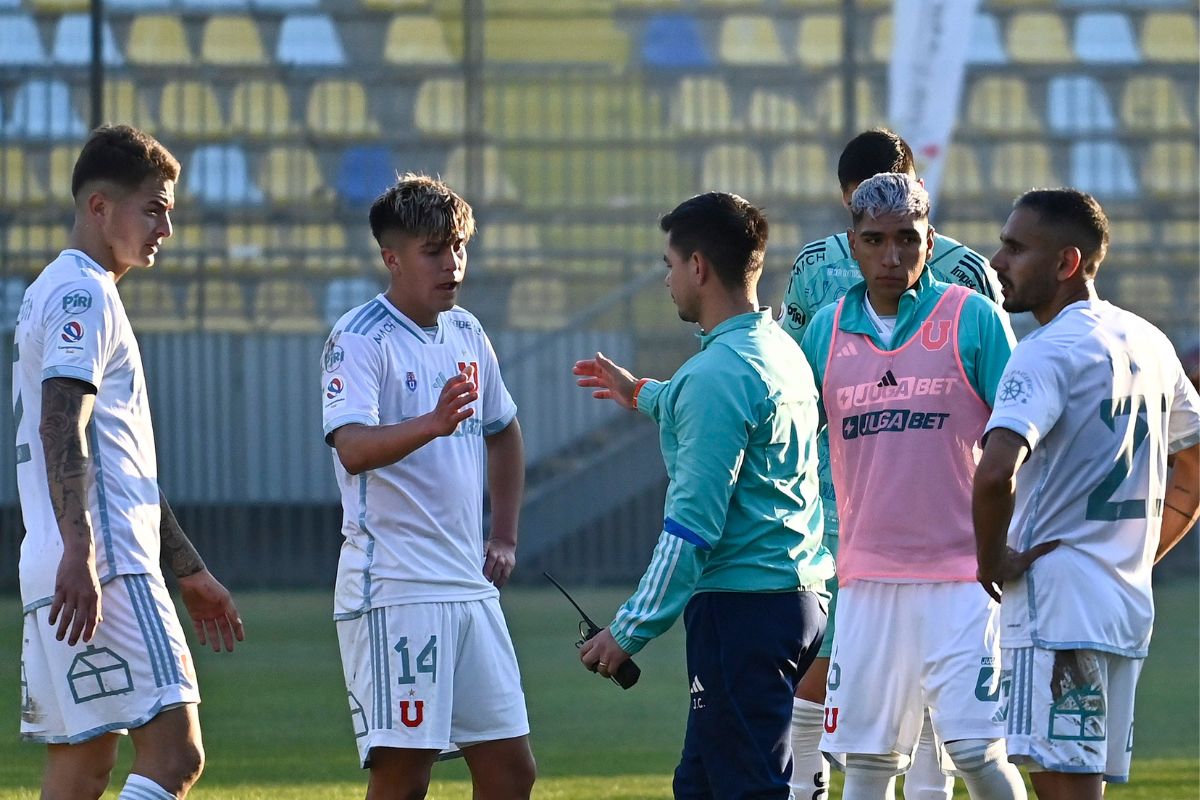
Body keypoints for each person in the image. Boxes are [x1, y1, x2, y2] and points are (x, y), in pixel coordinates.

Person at [573, 192, 831, 799]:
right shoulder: (779, 351)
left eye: (669, 263)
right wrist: (645, 394)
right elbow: (730, 413)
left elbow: (690, 527)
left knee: (744, 789)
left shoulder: (715, 376)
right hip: (795, 600)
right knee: (702, 785)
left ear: (698, 267)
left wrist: (628, 630)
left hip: (741, 611)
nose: (666, 280)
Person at [13, 124, 244, 800]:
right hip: (103, 564)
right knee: (175, 754)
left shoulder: (50, 291)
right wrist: (82, 548)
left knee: (80, 768)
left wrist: (189, 568)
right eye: (154, 207)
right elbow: (63, 419)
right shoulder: (85, 294)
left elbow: (119, 460)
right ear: (99, 208)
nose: (166, 226)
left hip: (54, 564)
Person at [780, 127, 1007, 800]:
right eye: (874, 238)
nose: (891, 253)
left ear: (927, 239)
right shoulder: (829, 323)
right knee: (872, 756)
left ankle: (804, 784)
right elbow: (792, 403)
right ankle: (806, 785)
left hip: (956, 559)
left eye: (906, 237)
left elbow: (1018, 425)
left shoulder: (967, 307)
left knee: (973, 748)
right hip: (862, 548)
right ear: (854, 241)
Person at [973, 189, 1200, 800]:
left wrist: (990, 558)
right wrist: (1144, 547)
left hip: (1058, 608)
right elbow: (1195, 461)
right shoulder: (1151, 342)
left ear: (1067, 262)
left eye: (1016, 248)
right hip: (1122, 604)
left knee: (1065, 790)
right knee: (1081, 787)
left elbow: (995, 474)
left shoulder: (1044, 354)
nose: (998, 260)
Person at [321, 174, 535, 800]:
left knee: (511, 770)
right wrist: (433, 423)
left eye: (459, 247)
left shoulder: (467, 332)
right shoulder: (360, 337)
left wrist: (504, 535)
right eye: (434, 251)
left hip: (468, 584)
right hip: (395, 587)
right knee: (403, 776)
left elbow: (505, 431)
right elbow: (354, 448)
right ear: (392, 257)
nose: (453, 264)